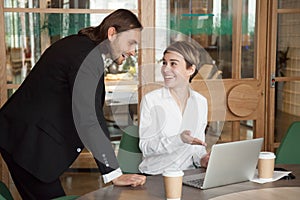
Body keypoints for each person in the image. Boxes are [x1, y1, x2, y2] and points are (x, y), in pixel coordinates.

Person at [0, 9, 146, 200]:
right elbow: (89, 117)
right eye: (131, 43)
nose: (133, 52)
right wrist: (114, 173)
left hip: (24, 138)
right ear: (112, 34)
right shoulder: (86, 56)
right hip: (26, 143)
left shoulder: (83, 48)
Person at [139, 40, 210, 175]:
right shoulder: (152, 100)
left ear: (190, 69)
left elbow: (197, 148)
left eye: (173, 64)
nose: (165, 69)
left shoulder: (201, 102)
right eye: (164, 63)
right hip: (157, 175)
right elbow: (146, 147)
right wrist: (179, 140)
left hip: (188, 174)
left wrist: (202, 159)